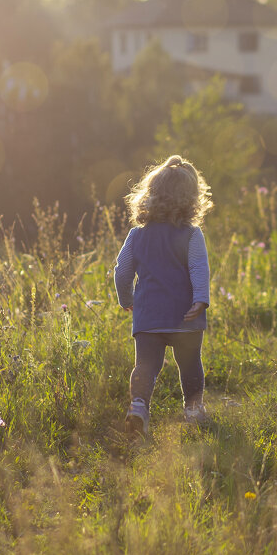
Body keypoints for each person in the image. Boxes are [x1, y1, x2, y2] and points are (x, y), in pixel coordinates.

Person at [114, 154, 212, 434]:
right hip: (185, 316)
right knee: (190, 365)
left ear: (150, 195)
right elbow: (198, 268)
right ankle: (193, 410)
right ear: (191, 199)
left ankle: (138, 407)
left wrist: (127, 300)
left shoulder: (136, 235)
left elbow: (122, 271)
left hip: (149, 316)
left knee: (145, 366)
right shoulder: (192, 235)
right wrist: (200, 300)